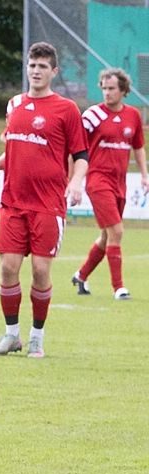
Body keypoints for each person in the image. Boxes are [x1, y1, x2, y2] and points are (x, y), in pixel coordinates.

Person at [0, 41, 88, 359]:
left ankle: (36, 338)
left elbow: (81, 155)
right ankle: (12, 335)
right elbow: (16, 147)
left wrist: (76, 182)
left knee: (41, 271)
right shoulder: (14, 104)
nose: (36, 71)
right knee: (8, 268)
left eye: (42, 66)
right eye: (32, 65)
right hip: (13, 202)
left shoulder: (66, 109)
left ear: (54, 71)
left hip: (48, 204)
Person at [72, 67, 148, 300]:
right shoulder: (93, 115)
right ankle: (119, 288)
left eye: (112, 88)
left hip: (120, 184)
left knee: (107, 237)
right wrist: (73, 179)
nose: (107, 92)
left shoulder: (133, 115)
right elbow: (75, 146)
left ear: (123, 90)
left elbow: (138, 147)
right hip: (98, 180)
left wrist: (144, 175)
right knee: (117, 231)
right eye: (104, 88)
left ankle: (81, 276)